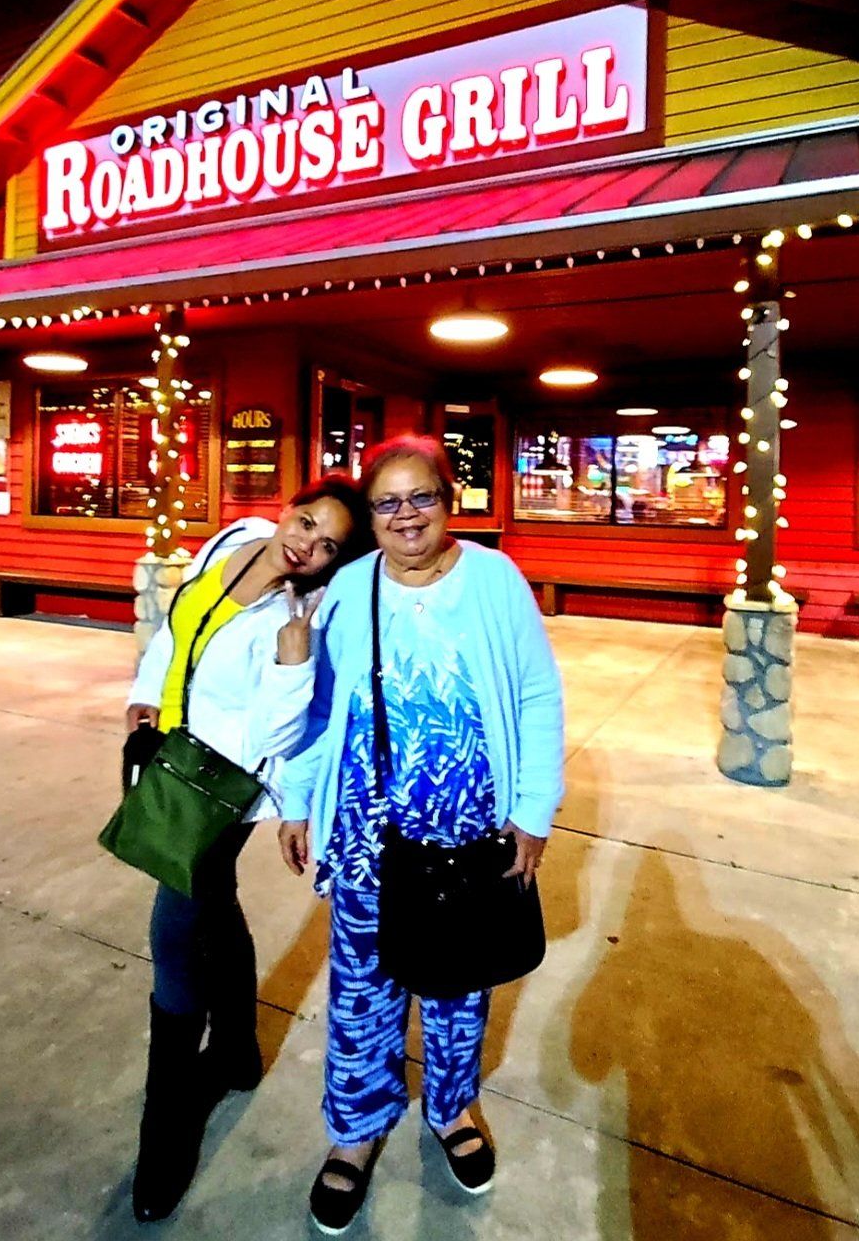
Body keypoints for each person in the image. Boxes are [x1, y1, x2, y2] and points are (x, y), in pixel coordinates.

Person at [278, 435, 565, 1234]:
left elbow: (538, 693)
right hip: (370, 827)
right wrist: (299, 799)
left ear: (450, 502)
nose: (406, 516)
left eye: (421, 498)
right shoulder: (350, 588)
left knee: (458, 981)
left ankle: (450, 1108)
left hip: (471, 823)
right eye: (387, 503)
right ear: (372, 516)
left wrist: (534, 810)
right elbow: (317, 703)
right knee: (362, 987)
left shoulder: (495, 581)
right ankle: (357, 1131)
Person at [124, 474, 371, 1224]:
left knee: (171, 935)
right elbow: (178, 626)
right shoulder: (233, 541)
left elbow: (279, 736)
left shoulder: (303, 616)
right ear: (288, 509)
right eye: (307, 523)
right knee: (212, 904)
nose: (307, 545)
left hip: (224, 786)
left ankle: (164, 1137)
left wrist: (295, 664)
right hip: (171, 753)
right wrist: (146, 689)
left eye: (328, 546)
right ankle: (235, 1051)